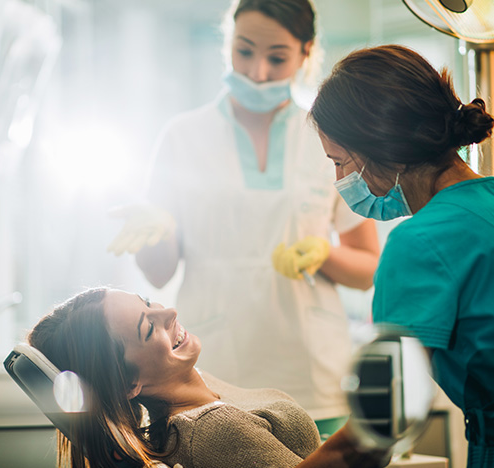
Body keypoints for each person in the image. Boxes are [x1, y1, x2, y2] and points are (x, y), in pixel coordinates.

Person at [108, 0, 380, 438]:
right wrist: (157, 231)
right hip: (212, 372)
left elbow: (368, 268)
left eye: (277, 58)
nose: (257, 72)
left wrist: (324, 254)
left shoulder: (328, 137)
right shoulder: (183, 137)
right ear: (228, 44)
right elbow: (158, 276)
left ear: (306, 53)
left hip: (309, 373)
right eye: (244, 51)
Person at [309, 44, 494, 467]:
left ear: (379, 148)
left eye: (339, 162)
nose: (339, 179)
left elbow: (375, 430)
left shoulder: (421, 242)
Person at [27, 286, 390, 468]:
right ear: (127, 385)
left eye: (149, 302)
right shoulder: (212, 429)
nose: (168, 312)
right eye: (148, 328)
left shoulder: (196, 389)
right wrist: (371, 432)